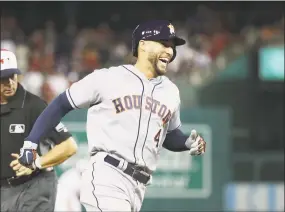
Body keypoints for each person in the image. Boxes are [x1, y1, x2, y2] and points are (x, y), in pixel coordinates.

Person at [17, 20, 206, 211]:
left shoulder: (171, 92)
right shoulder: (108, 78)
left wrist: (186, 143)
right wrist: (32, 141)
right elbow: (60, 104)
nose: (170, 51)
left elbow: (169, 135)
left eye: (173, 47)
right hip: (106, 175)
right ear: (143, 44)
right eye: (164, 43)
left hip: (138, 187)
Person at [0, 49, 78, 212]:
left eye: (12, 76)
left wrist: (36, 164)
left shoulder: (34, 106)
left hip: (34, 185)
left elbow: (69, 146)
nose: (9, 83)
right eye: (2, 78)